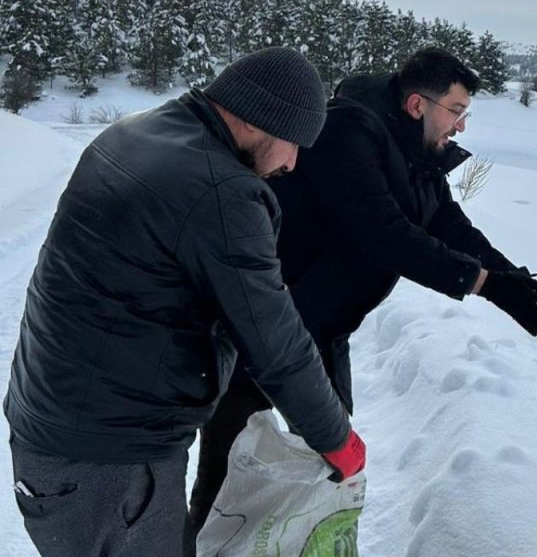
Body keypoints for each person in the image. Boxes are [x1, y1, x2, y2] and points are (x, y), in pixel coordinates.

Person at [188, 47, 537, 530]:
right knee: (230, 456)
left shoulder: (413, 148)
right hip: (266, 323)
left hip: (322, 328)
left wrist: (521, 285)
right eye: (456, 111)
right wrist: (485, 285)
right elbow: (382, 233)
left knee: (331, 462)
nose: (461, 126)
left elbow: (447, 222)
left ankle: (292, 537)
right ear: (418, 105)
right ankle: (205, 539)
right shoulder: (347, 133)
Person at [4, 47, 366, 557]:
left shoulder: (139, 132)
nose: (291, 163)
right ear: (260, 119)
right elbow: (274, 340)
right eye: (293, 144)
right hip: (109, 458)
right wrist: (336, 439)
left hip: (61, 427)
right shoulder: (219, 188)